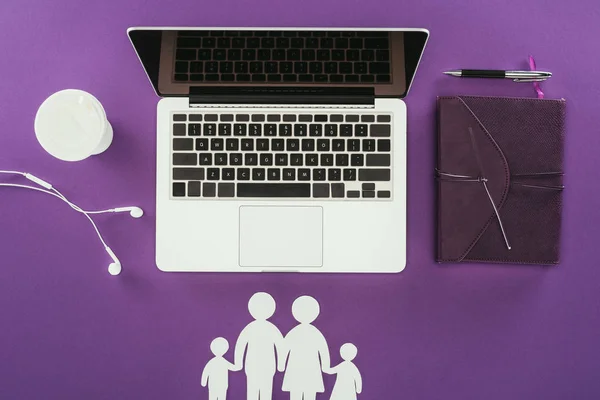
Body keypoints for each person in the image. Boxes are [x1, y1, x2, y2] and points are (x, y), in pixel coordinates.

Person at [234, 292, 284, 400]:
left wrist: (238, 363)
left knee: (255, 392)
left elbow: (240, 345)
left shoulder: (250, 328)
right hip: (263, 366)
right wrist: (281, 365)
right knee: (264, 392)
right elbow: (281, 346)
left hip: (257, 366)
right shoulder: (271, 328)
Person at [279, 295, 330, 400]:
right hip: (309, 370)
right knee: (307, 394)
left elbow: (284, 349)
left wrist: (281, 365)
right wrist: (325, 366)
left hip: (298, 370)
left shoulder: (294, 332)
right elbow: (323, 350)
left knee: (297, 394)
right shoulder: (315, 333)